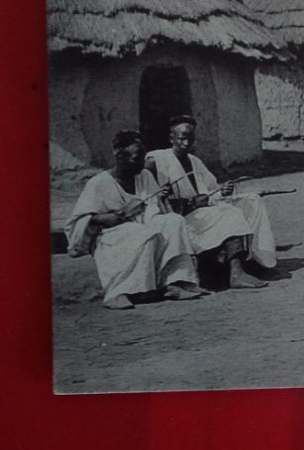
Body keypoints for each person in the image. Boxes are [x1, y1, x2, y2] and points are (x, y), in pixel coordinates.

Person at [66, 129, 204, 309]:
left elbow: (154, 208)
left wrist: (149, 208)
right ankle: (120, 291)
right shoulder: (99, 183)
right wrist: (107, 217)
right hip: (111, 234)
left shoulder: (144, 175)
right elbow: (78, 221)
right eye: (137, 158)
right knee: (143, 233)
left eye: (143, 157)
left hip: (143, 225)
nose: (142, 163)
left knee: (173, 221)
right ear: (119, 156)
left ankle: (174, 282)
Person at [146, 115, 277, 289]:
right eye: (182, 138)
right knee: (230, 214)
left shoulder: (195, 161)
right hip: (179, 217)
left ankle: (258, 259)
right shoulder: (156, 161)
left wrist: (222, 191)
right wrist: (190, 203)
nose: (187, 143)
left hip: (201, 211)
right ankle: (236, 273)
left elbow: (210, 190)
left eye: (190, 138)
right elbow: (149, 196)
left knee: (251, 201)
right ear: (171, 139)